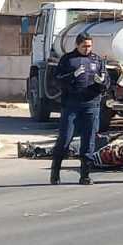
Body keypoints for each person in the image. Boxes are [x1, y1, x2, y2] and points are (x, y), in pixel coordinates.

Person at [50, 33, 109, 185]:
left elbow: (107, 83)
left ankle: (85, 175)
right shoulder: (68, 60)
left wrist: (102, 82)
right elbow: (57, 81)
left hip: (92, 105)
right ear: (77, 45)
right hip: (72, 105)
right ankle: (55, 172)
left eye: (89, 46)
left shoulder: (97, 60)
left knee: (89, 141)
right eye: (84, 46)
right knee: (65, 139)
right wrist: (73, 75)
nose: (87, 49)